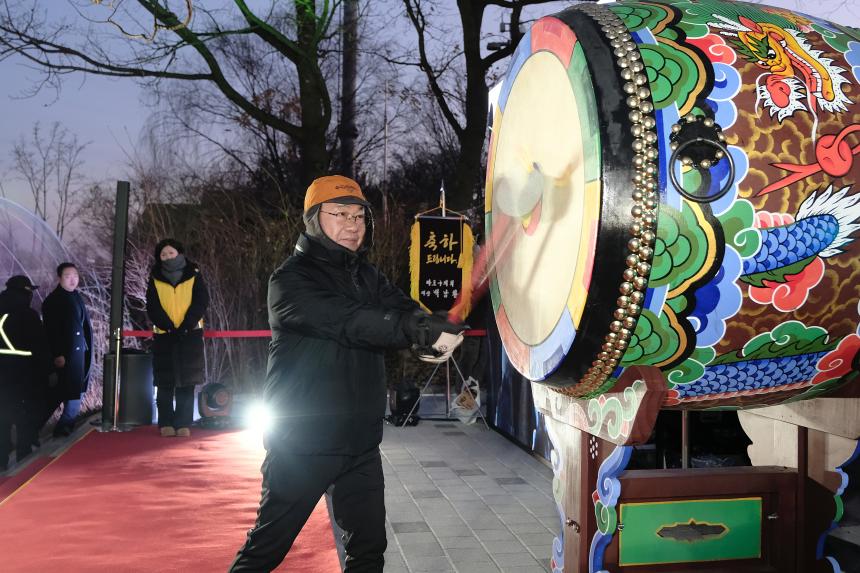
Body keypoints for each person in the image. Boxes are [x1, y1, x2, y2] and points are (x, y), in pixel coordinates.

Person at [229, 175, 466, 572]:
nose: (353, 224)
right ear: (313, 220)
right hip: (303, 443)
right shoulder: (290, 281)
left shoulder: (367, 276)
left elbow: (402, 310)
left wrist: (433, 326)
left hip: (359, 442)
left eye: (359, 216)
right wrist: (415, 329)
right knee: (264, 552)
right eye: (340, 213)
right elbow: (352, 321)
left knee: (369, 552)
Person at [145, 239, 209, 438]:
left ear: (179, 253)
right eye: (163, 254)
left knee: (186, 381)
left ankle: (183, 423)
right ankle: (165, 422)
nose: (167, 257)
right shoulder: (154, 278)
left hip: (190, 335)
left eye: (170, 253)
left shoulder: (194, 275)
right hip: (164, 336)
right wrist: (168, 326)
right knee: (165, 381)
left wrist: (186, 325)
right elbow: (152, 305)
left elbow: (201, 301)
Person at [0, 276, 51, 471]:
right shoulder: (27, 315)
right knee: (24, 418)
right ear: (25, 292)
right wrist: (49, 370)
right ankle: (23, 459)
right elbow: (40, 346)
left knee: (2, 418)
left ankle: (1, 461)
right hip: (23, 375)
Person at [42, 263, 93, 438]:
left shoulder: (75, 296)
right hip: (66, 356)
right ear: (59, 278)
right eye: (67, 276)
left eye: (75, 276)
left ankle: (64, 430)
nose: (73, 280)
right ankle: (61, 431)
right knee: (66, 395)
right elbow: (51, 330)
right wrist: (57, 353)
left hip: (78, 355)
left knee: (72, 394)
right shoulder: (54, 300)